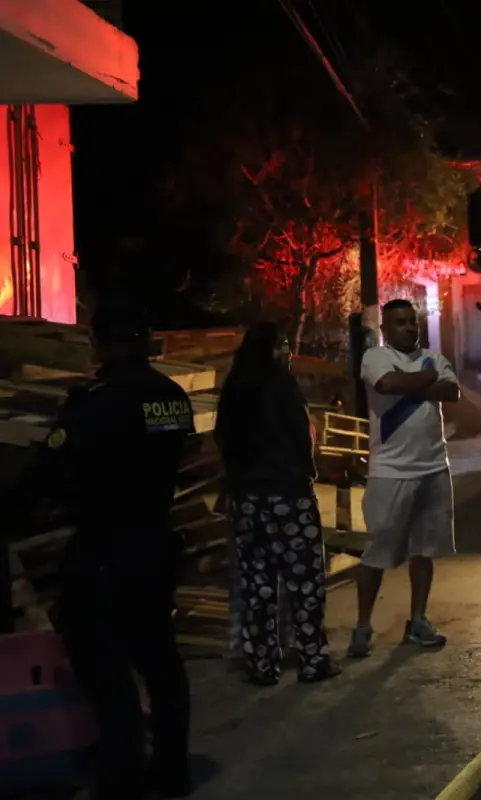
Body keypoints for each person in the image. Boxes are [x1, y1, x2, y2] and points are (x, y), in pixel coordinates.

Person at [10, 294, 194, 799]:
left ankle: (123, 778)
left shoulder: (97, 403)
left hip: (105, 549)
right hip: (155, 544)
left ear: (98, 343)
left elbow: (48, 473)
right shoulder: (172, 396)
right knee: (160, 660)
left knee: (103, 665)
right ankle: (173, 770)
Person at [213, 321, 339, 686]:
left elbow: (224, 440)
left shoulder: (234, 389)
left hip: (248, 500)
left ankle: (262, 664)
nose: (286, 353)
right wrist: (305, 472)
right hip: (289, 497)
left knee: (258, 584)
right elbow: (302, 438)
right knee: (304, 582)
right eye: (281, 345)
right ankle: (313, 658)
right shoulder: (283, 387)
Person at [349, 298, 460, 656]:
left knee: (424, 551)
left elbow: (451, 391)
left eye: (413, 322)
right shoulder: (375, 357)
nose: (410, 328)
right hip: (390, 474)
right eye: (401, 323)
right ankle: (363, 626)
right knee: (377, 552)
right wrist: (425, 379)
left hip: (433, 469)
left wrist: (416, 382)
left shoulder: (434, 357)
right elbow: (386, 385)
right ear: (386, 329)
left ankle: (418, 620)